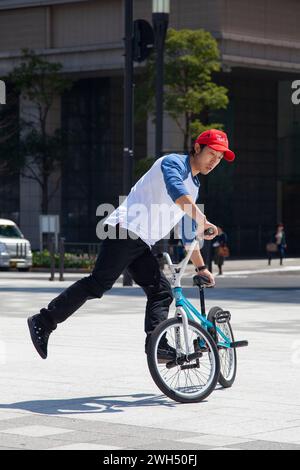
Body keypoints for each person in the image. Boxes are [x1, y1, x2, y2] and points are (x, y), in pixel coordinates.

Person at [27, 129, 236, 362]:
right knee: (98, 284)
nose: (214, 162)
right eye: (212, 154)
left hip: (141, 242)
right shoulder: (172, 163)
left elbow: (186, 230)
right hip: (125, 230)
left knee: (161, 292)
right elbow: (176, 192)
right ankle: (43, 321)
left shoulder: (195, 186)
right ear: (197, 148)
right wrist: (203, 220)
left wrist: (201, 267)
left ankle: (157, 345)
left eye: (219, 159)